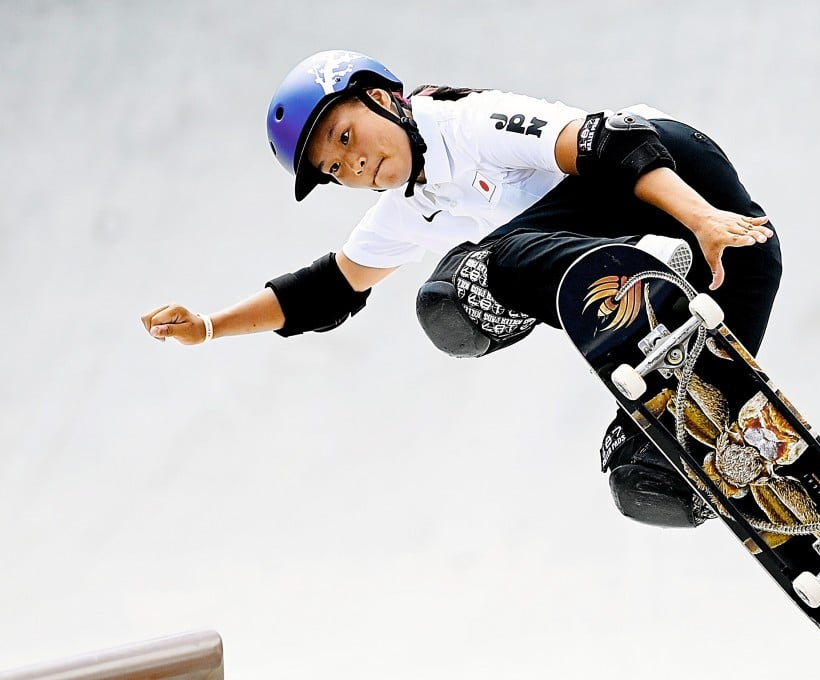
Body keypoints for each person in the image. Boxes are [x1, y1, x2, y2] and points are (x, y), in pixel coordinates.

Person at [142, 50, 782, 528]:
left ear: (383, 100)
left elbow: (608, 142)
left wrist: (700, 221)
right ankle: (734, 465)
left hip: (664, 168)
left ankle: (645, 273)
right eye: (337, 169)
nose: (356, 165)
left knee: (474, 278)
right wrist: (207, 326)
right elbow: (325, 291)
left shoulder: (467, 121)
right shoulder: (402, 207)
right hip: (680, 245)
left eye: (346, 136)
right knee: (648, 477)